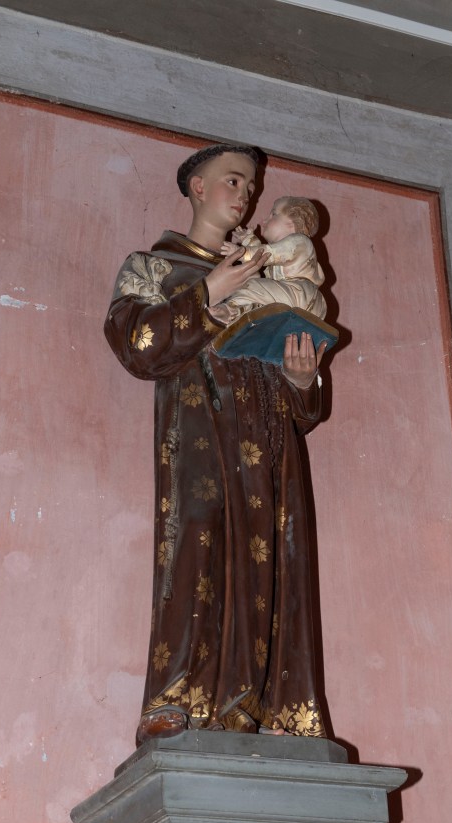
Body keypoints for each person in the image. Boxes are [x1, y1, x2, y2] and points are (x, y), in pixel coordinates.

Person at [104, 144, 329, 746]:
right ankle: (177, 697)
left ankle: (263, 709)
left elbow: (303, 405)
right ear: (198, 187)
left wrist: (302, 381)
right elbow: (136, 344)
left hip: (269, 446)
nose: (246, 196)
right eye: (234, 181)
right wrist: (208, 292)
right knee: (196, 548)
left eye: (251, 187)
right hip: (199, 435)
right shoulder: (153, 266)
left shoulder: (270, 273)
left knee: (272, 563)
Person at [208, 196, 327, 325]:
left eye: (273, 214)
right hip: (292, 296)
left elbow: (267, 253)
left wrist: (242, 252)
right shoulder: (285, 247)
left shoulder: (300, 241)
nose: (265, 221)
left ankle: (231, 309)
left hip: (301, 295)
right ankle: (239, 315)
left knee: (252, 285)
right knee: (259, 301)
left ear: (293, 222)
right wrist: (248, 240)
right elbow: (265, 253)